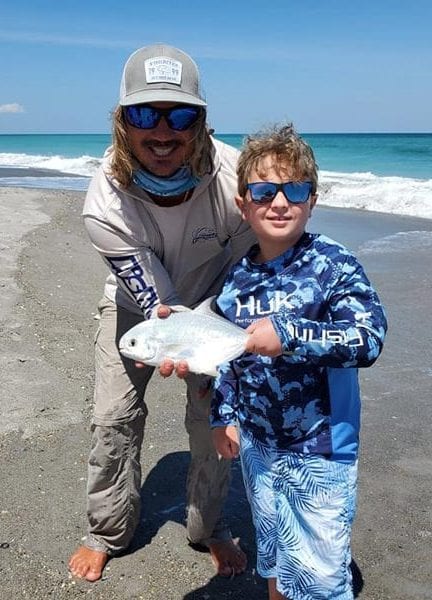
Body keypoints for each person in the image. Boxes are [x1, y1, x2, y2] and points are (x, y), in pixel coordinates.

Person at [68, 43, 255, 582]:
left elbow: (246, 269)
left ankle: (209, 528)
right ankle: (106, 531)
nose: (163, 132)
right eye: (145, 114)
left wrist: (219, 352)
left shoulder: (235, 178)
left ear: (202, 121)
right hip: (139, 310)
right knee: (114, 418)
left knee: (213, 423)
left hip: (217, 305)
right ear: (122, 121)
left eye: (182, 115)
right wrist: (179, 343)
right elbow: (159, 305)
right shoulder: (104, 203)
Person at [210, 124, 387, 599]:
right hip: (257, 445)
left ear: (312, 199)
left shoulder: (335, 264)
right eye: (265, 191)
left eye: (296, 189)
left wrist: (290, 333)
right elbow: (228, 360)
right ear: (242, 204)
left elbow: (368, 338)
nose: (280, 202)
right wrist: (222, 416)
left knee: (321, 576)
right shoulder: (236, 281)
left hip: (322, 449)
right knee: (275, 553)